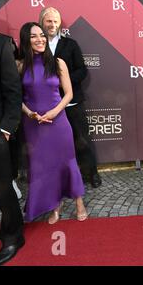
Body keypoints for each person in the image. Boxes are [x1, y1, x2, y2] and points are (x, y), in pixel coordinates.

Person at [17, 22, 88, 224]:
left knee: (67, 161)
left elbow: (69, 94)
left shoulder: (57, 63)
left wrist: (54, 112)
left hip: (57, 121)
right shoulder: (20, 66)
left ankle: (79, 202)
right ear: (25, 40)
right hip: (34, 124)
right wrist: (30, 113)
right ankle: (54, 205)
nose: (40, 39)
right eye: (33, 36)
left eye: (41, 35)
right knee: (43, 166)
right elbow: (16, 97)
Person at [39, 7, 102, 188]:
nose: (52, 25)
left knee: (82, 139)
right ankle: (60, 178)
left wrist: (61, 82)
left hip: (72, 101)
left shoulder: (70, 44)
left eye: (55, 21)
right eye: (49, 21)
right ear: (42, 22)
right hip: (46, 105)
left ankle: (92, 174)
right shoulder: (35, 45)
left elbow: (82, 70)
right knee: (53, 144)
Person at [0, 0, 25, 266]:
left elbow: (13, 90)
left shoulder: (0, 44)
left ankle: (13, 237)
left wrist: (6, 129)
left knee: (2, 187)